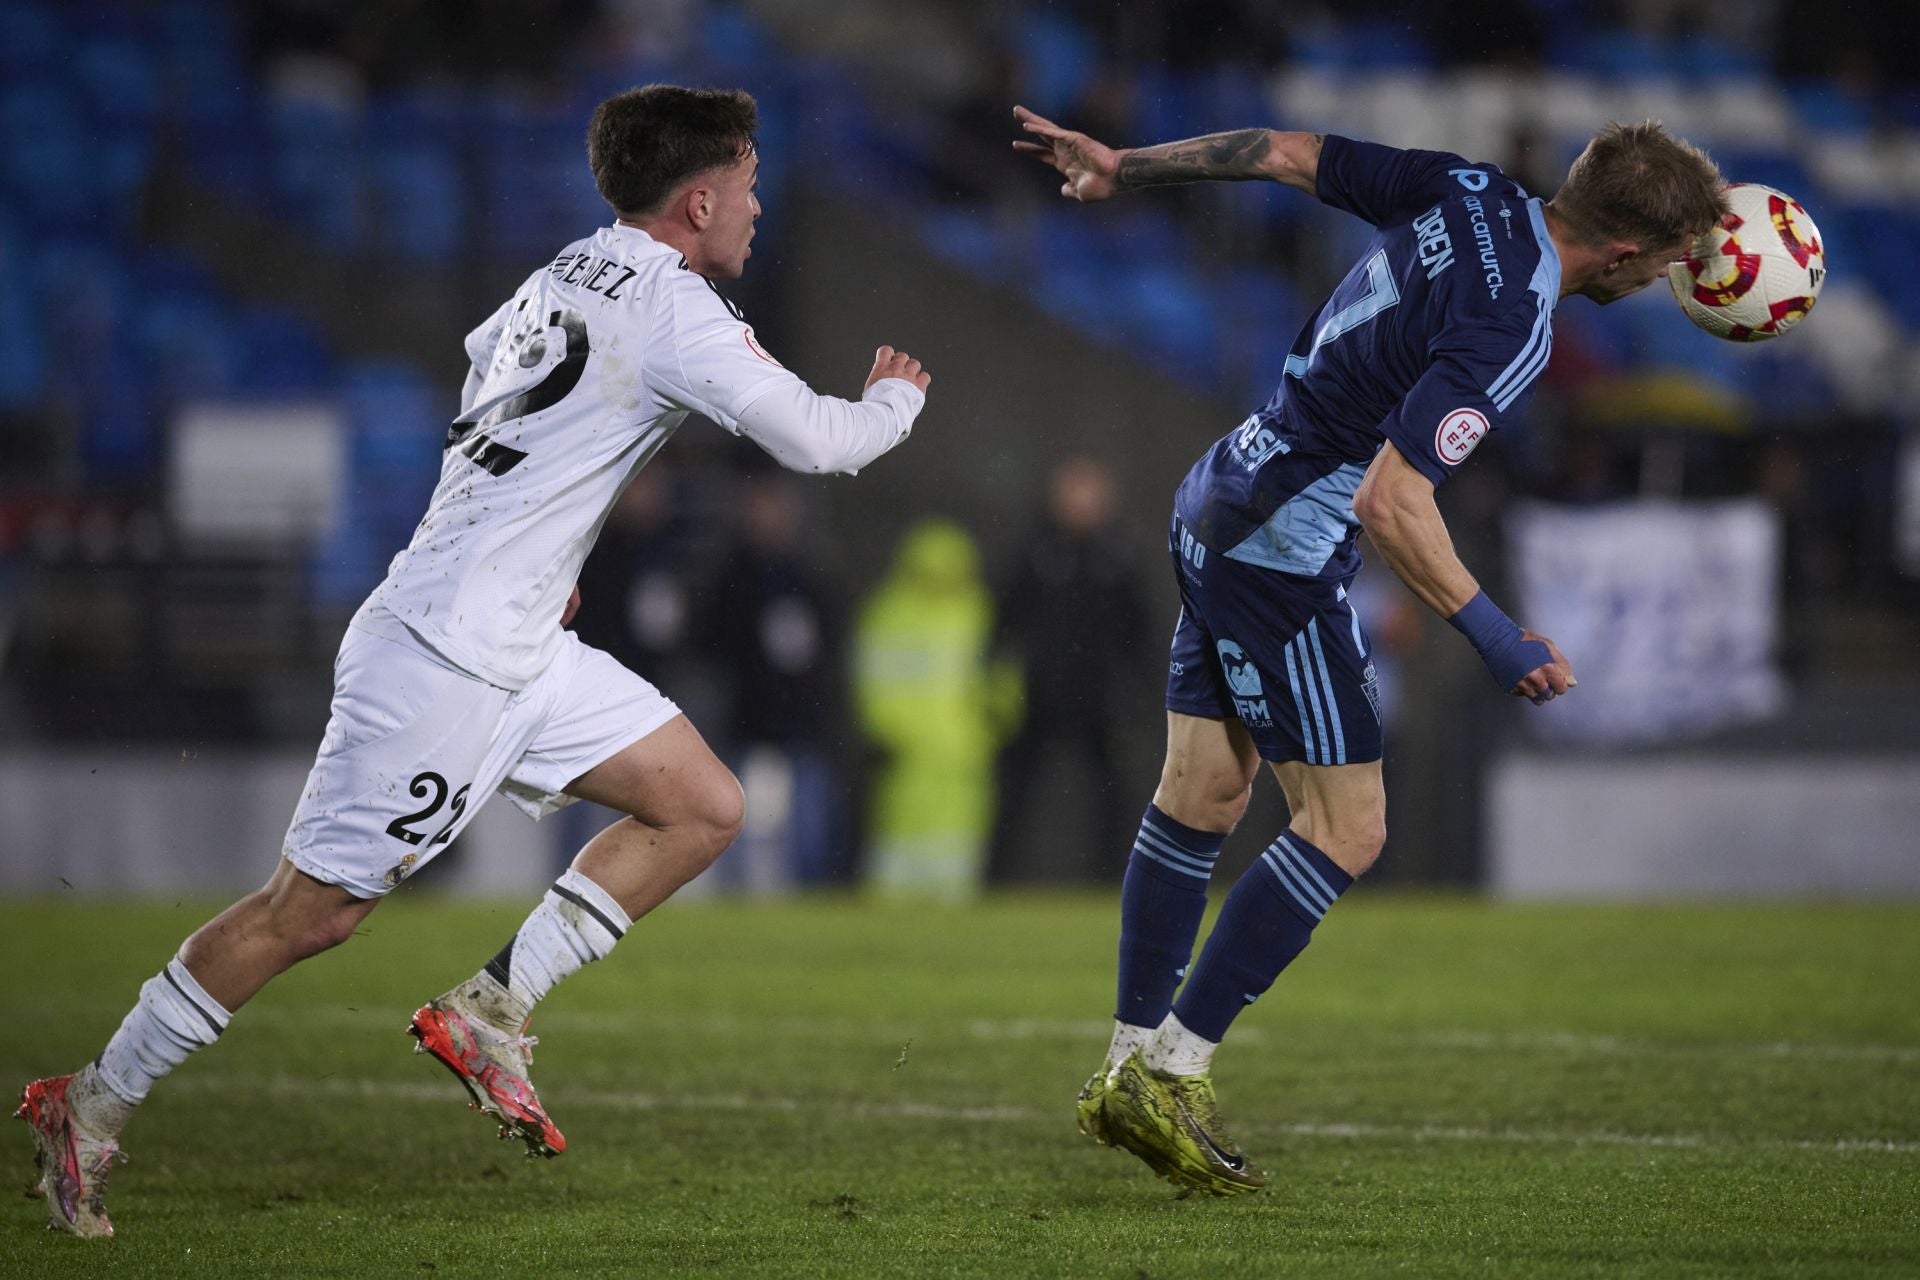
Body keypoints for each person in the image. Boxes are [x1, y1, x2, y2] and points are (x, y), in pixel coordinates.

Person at [17, 84, 933, 1239]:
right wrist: (894, 400)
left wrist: (540, 533)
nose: (759, 207)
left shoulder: (566, 269)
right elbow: (818, 439)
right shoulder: (676, 307)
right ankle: (89, 1101)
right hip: (443, 655)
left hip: (519, 637)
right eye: (750, 187)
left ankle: (492, 1006)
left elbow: (480, 374)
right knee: (307, 913)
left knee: (702, 803)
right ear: (699, 199)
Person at [1014, 106, 1725, 1195]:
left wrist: (1128, 167)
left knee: (1202, 794)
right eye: (1671, 264)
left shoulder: (1472, 190)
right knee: (1350, 826)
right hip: (1282, 545)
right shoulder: (1516, 320)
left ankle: (1126, 1061)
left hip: (1224, 487)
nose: (1665, 280)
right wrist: (1499, 634)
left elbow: (1286, 152)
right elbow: (1398, 502)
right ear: (1627, 253)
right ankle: (1174, 1064)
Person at [988, 453, 1150, 882]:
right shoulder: (1036, 552)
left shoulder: (1119, 557)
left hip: (1097, 695)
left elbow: (1140, 632)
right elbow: (1003, 621)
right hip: (1037, 694)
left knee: (1113, 795)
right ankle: (995, 880)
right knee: (1014, 792)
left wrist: (1140, 693)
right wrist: (995, 679)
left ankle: (1114, 880)